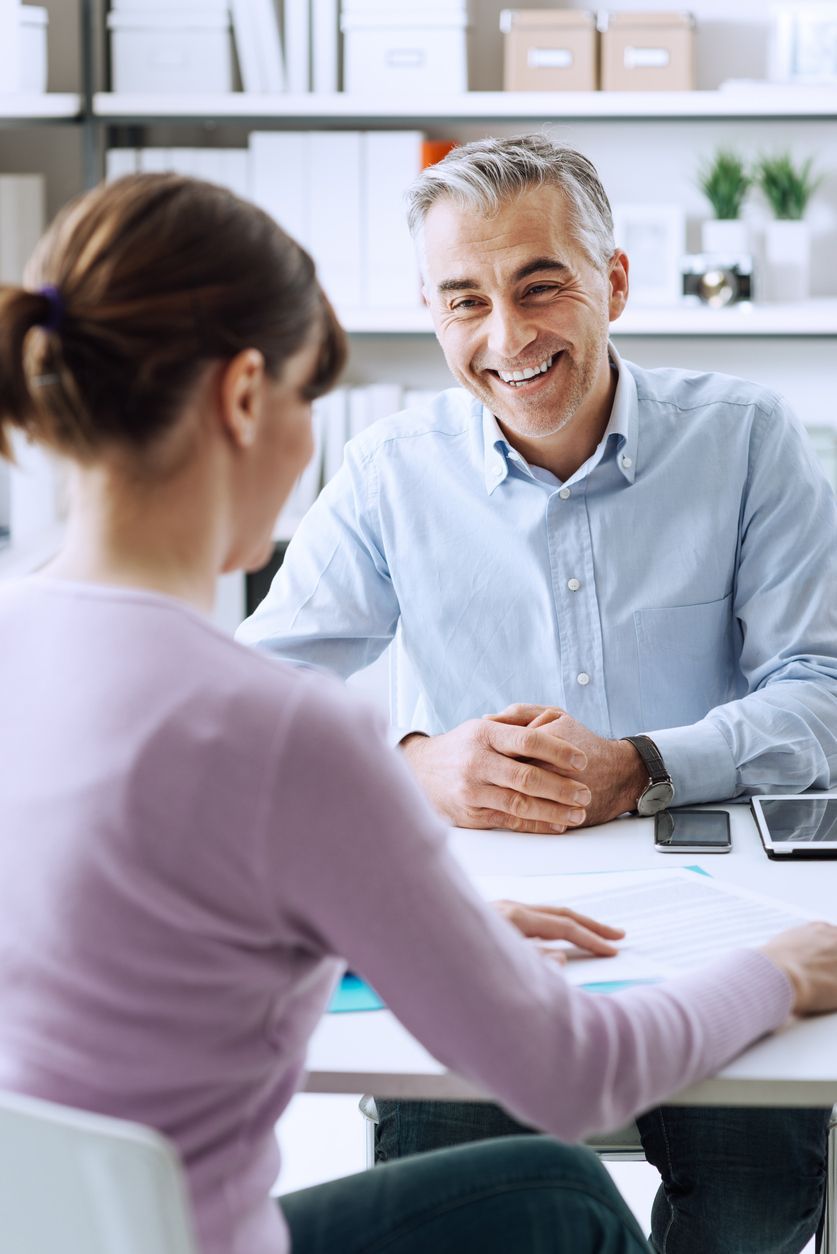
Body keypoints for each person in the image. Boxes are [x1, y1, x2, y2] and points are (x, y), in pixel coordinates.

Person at [7, 174, 834, 1254]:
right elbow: (570, 1070)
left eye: (542, 285)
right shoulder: (289, 713)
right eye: (312, 394)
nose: (504, 335)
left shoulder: (29, 641)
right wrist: (779, 969)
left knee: (707, 1177)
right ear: (249, 396)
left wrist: (416, 921)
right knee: (558, 1195)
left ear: (612, 283)